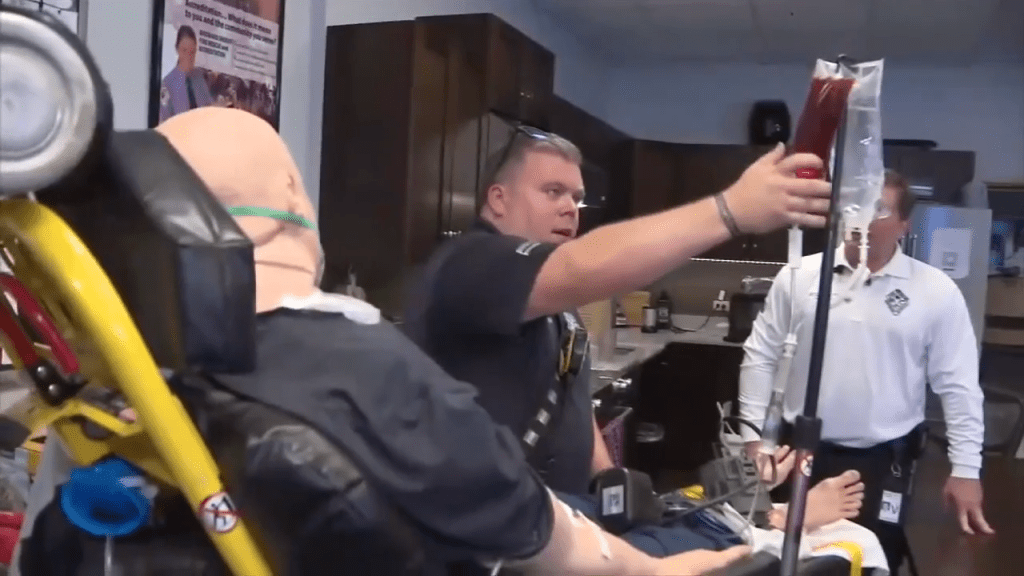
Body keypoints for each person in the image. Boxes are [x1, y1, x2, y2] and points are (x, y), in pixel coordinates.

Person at [12, 108, 750, 576]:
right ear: (293, 198)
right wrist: (660, 568)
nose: (570, 210)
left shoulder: (113, 388)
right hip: (537, 545)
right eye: (554, 193)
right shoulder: (368, 373)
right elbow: (566, 551)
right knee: (760, 545)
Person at [402, 126, 834, 497]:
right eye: (552, 192)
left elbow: (569, 393)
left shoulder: (550, 300)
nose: (570, 208)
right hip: (482, 533)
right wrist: (731, 209)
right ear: (498, 199)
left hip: (556, 521)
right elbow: (579, 266)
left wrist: (610, 483)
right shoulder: (471, 263)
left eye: (576, 197)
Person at [738, 169, 994, 573]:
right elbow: (760, 356)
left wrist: (966, 470)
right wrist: (755, 442)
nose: (863, 220)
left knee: (872, 560)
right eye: (856, 207)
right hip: (799, 454)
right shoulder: (800, 277)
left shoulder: (935, 291)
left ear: (904, 224)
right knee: (790, 558)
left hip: (882, 463)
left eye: (879, 210)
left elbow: (959, 387)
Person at [158, 25, 216, 124]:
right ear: (177, 49)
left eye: (192, 52)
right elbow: (164, 122)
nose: (189, 57)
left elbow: (209, 107)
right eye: (184, 50)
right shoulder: (167, 84)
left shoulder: (199, 76)